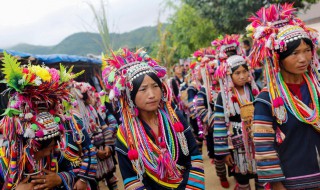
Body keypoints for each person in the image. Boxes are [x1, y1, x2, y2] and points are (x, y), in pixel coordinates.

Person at [102, 48, 205, 189]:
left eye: (155, 86)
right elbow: (131, 180)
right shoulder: (125, 135)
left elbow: (194, 156)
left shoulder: (175, 117)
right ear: (130, 96)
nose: (151, 94)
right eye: (143, 89)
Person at [248, 3, 320, 189]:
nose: (303, 58)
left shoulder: (317, 89)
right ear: (278, 57)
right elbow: (264, 147)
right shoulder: (267, 99)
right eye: (295, 53)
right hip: (293, 182)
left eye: (307, 51)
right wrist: (277, 185)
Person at [0, 52, 83, 189]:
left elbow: (76, 171)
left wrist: (59, 179)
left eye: (52, 146)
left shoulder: (56, 154)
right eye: (46, 148)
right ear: (29, 143)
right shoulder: (4, 161)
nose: (50, 152)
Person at [212, 34, 260, 189]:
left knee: (262, 176)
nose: (242, 76)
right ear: (229, 76)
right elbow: (219, 123)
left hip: (258, 139)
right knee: (242, 177)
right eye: (237, 73)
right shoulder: (223, 96)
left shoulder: (254, 90)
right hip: (237, 145)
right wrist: (223, 151)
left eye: (244, 72)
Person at [193, 48, 230, 188]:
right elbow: (200, 109)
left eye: (216, 73)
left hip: (230, 128)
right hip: (214, 129)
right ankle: (222, 175)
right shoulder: (204, 91)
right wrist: (217, 120)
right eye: (211, 73)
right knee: (218, 155)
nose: (214, 76)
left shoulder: (226, 87)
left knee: (232, 152)